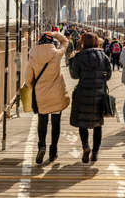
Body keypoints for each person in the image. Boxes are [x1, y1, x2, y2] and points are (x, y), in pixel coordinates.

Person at [25, 31, 70, 164]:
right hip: (57, 94)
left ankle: (42, 146)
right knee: (56, 123)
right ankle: (53, 151)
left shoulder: (32, 55)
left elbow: (28, 79)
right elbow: (65, 42)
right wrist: (55, 34)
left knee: (42, 121)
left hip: (41, 95)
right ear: (51, 42)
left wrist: (34, 87)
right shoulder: (56, 54)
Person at [69, 32, 112, 163]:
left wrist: (71, 60)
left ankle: (85, 146)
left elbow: (74, 76)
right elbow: (108, 75)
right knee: (98, 125)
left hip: (83, 93)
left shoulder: (79, 56)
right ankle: (95, 153)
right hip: (99, 94)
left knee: (83, 124)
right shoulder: (103, 56)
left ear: (83, 42)